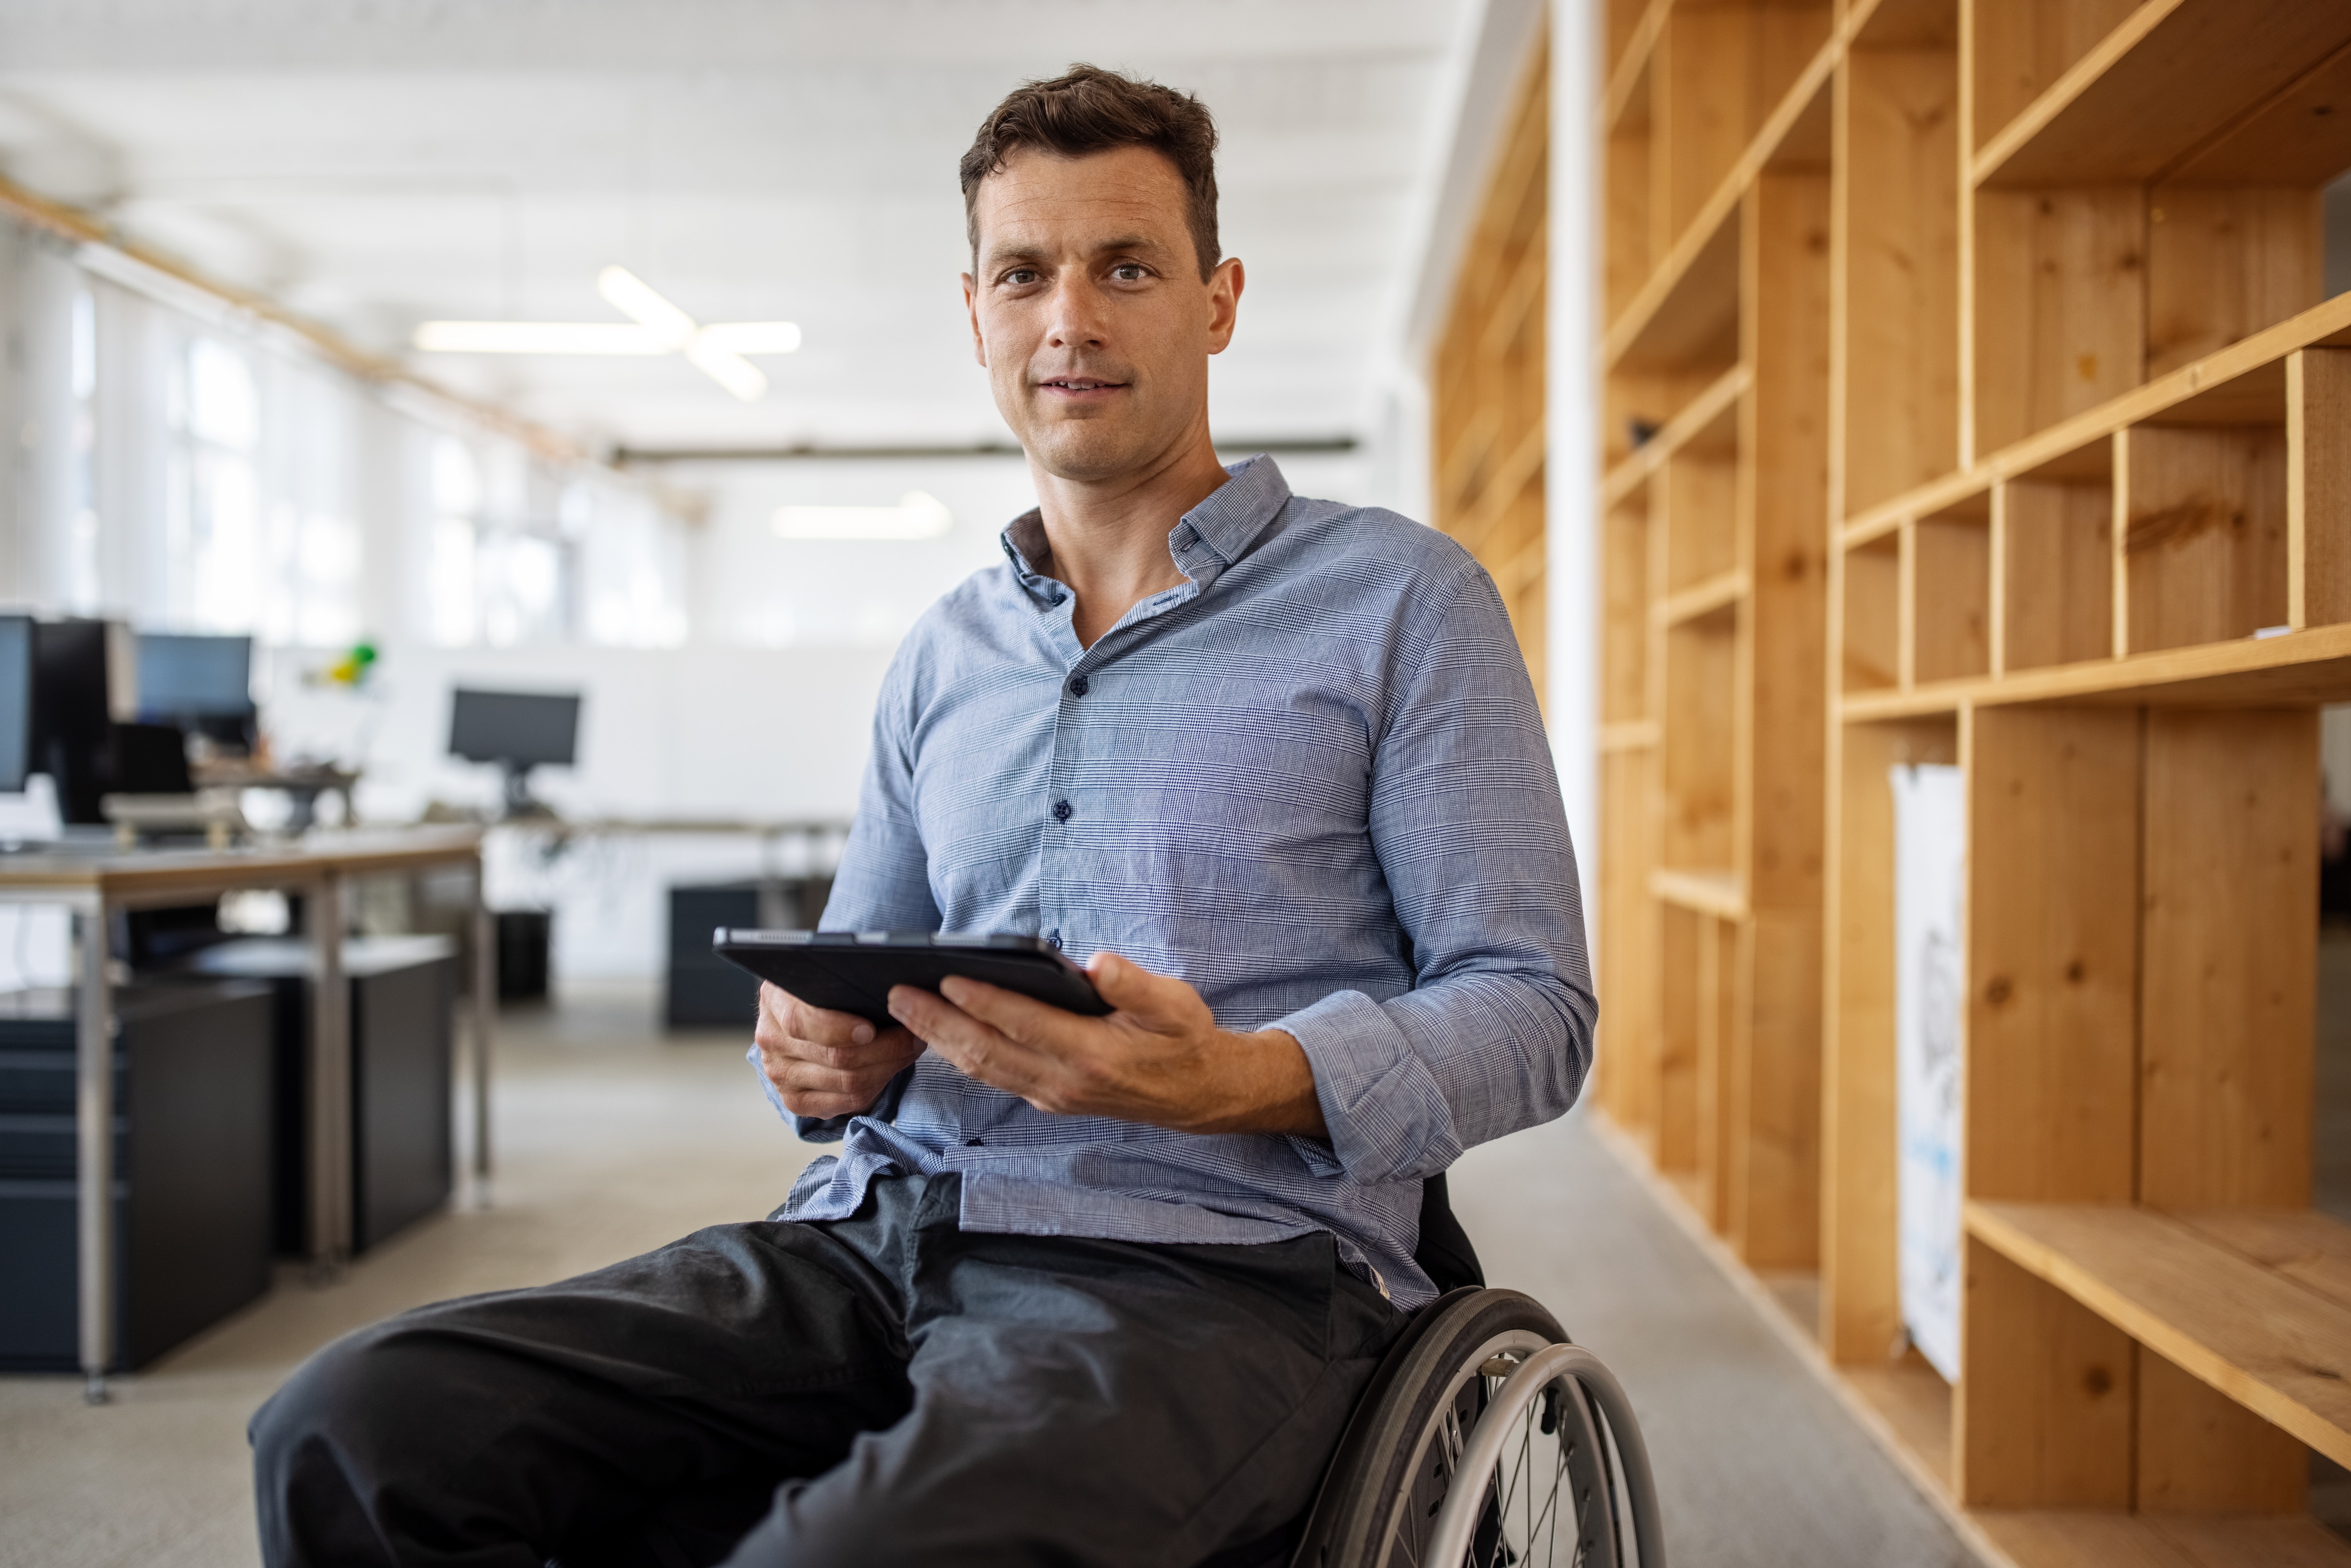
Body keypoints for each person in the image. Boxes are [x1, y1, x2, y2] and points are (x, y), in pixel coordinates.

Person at [250, 63, 1594, 1568]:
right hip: (872, 1239)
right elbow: (841, 989)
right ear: (977, 315)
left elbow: (1534, 1008)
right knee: (356, 1424)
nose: (1069, 320)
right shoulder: (945, 653)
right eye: (1025, 274)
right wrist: (818, 1051)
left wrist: (1235, 1079)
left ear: (1216, 302)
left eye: (1126, 268)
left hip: (1215, 1270)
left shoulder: (1403, 604)